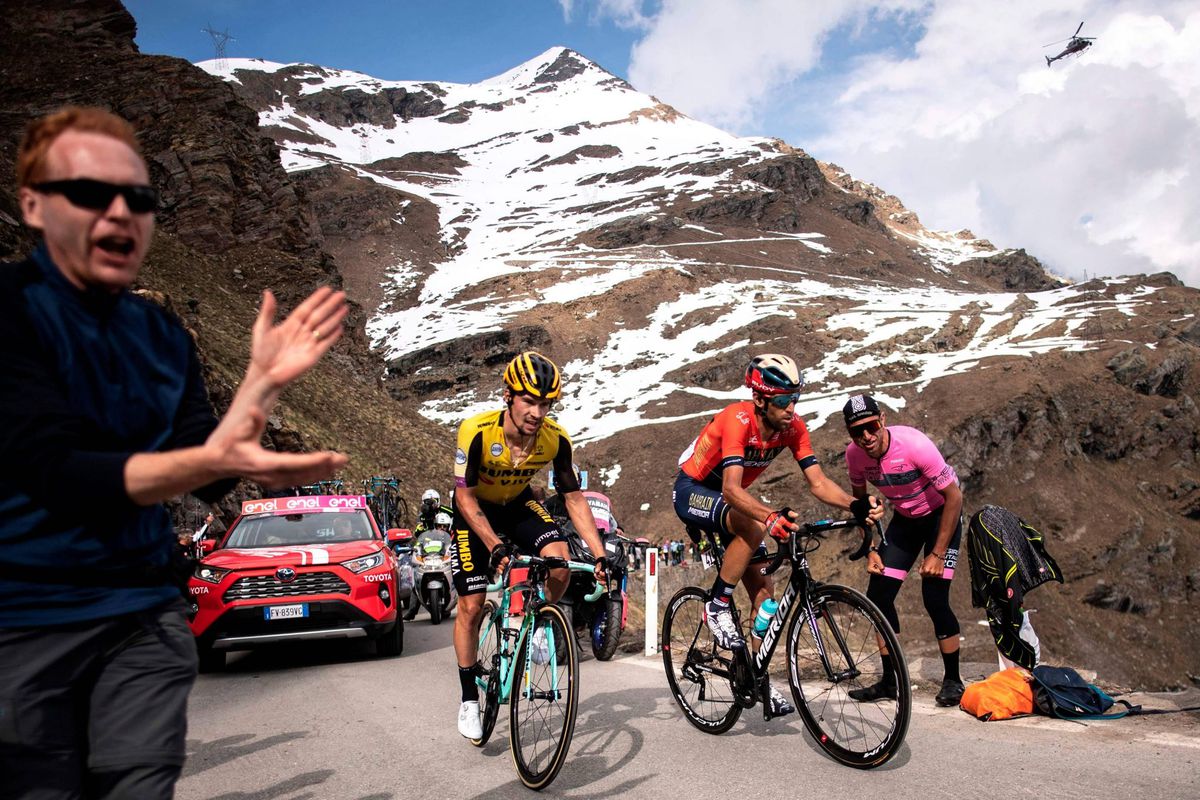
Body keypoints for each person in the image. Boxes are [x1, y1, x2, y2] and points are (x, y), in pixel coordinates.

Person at [0, 106, 348, 799]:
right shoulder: (10, 313)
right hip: (23, 619)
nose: (121, 213)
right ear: (34, 205)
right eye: (92, 193)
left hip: (141, 615)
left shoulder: (162, 333)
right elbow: (57, 471)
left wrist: (261, 387)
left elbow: (205, 461)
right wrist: (212, 457)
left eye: (140, 197)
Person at [673, 354, 883, 718]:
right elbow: (732, 490)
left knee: (765, 599)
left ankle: (756, 681)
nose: (791, 408)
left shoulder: (792, 428)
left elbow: (817, 482)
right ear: (760, 399)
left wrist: (856, 505)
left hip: (729, 501)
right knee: (753, 527)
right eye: (783, 400)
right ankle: (717, 604)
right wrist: (769, 518)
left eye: (795, 399)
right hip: (694, 490)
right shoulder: (736, 421)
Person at [450, 351, 608, 739]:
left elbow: (573, 498)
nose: (537, 412)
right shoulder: (477, 431)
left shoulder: (555, 440)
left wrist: (601, 553)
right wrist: (494, 546)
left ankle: (538, 620)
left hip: (518, 503)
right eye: (529, 401)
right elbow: (465, 497)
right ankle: (469, 698)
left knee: (561, 563)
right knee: (470, 605)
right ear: (508, 395)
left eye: (545, 404)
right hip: (475, 511)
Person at [842, 393, 966, 707]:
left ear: (882, 419)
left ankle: (953, 680)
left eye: (870, 427)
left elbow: (955, 498)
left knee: (934, 597)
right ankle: (889, 681)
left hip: (941, 518)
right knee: (879, 597)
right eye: (857, 432)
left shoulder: (914, 445)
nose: (866, 437)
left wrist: (937, 553)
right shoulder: (855, 456)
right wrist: (870, 548)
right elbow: (862, 507)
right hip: (905, 522)